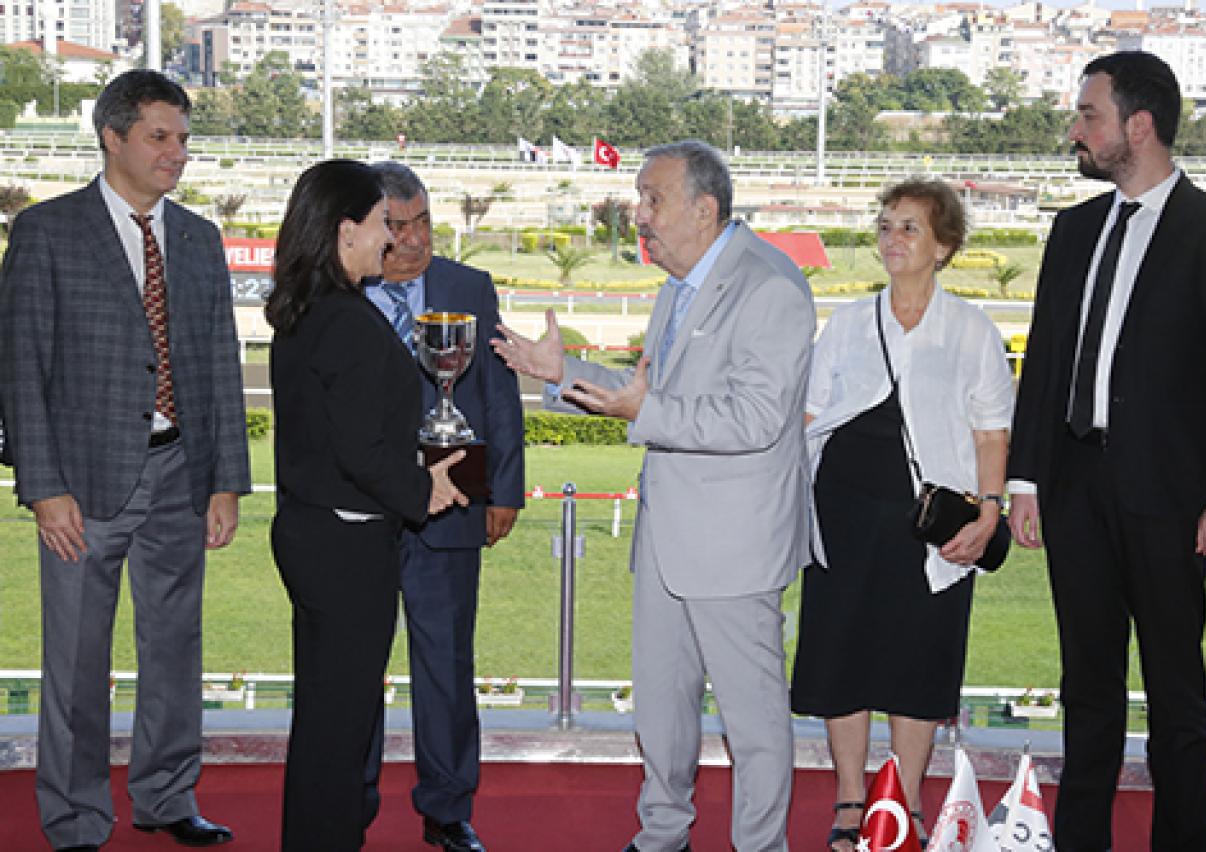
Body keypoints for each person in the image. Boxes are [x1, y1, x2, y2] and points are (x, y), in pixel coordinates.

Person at [493, 140, 815, 852]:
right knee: (662, 710)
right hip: (668, 538)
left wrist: (646, 410)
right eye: (640, 198)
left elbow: (756, 418)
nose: (639, 214)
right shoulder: (680, 285)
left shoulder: (769, 286)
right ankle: (662, 835)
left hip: (735, 547)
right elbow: (649, 395)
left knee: (753, 722)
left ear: (705, 209)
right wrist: (562, 373)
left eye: (652, 199)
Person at [1007, 51, 1206, 852]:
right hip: (1075, 491)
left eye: (1089, 115)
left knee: (1176, 697)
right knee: (1086, 692)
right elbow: (1046, 363)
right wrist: (1025, 478)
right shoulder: (1072, 229)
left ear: (1140, 125)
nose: (1075, 131)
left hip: (1172, 501)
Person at [0, 70, 249, 852]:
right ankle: (76, 817)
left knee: (175, 647)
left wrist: (226, 481)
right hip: (80, 485)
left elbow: (220, 363)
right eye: (159, 137)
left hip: (182, 473)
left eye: (183, 139)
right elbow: (20, 368)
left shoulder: (199, 239)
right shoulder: (46, 231)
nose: (177, 153)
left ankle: (167, 797)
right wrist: (43, 489)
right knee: (77, 659)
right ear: (112, 137)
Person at [790, 179, 1013, 850]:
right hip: (843, 516)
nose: (893, 238)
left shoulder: (972, 330)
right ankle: (852, 799)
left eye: (910, 227)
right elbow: (810, 415)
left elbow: (992, 433)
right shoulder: (849, 323)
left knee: (919, 662)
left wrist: (989, 512)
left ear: (944, 246)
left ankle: (905, 801)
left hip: (931, 528)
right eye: (886, 226)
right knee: (842, 657)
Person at [265, 159, 466, 852]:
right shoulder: (346, 320)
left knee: (326, 719)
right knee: (340, 726)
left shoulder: (306, 307)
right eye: (383, 223)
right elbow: (361, 449)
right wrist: (425, 489)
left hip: (315, 534)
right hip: (345, 546)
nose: (393, 238)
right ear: (345, 229)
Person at [360, 161, 525, 852]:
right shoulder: (340, 286)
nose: (414, 239)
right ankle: (348, 803)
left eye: (423, 221)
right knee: (356, 668)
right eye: (397, 226)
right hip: (361, 512)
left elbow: (497, 396)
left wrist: (504, 489)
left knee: (447, 665)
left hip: (454, 502)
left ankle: (449, 808)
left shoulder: (468, 287)